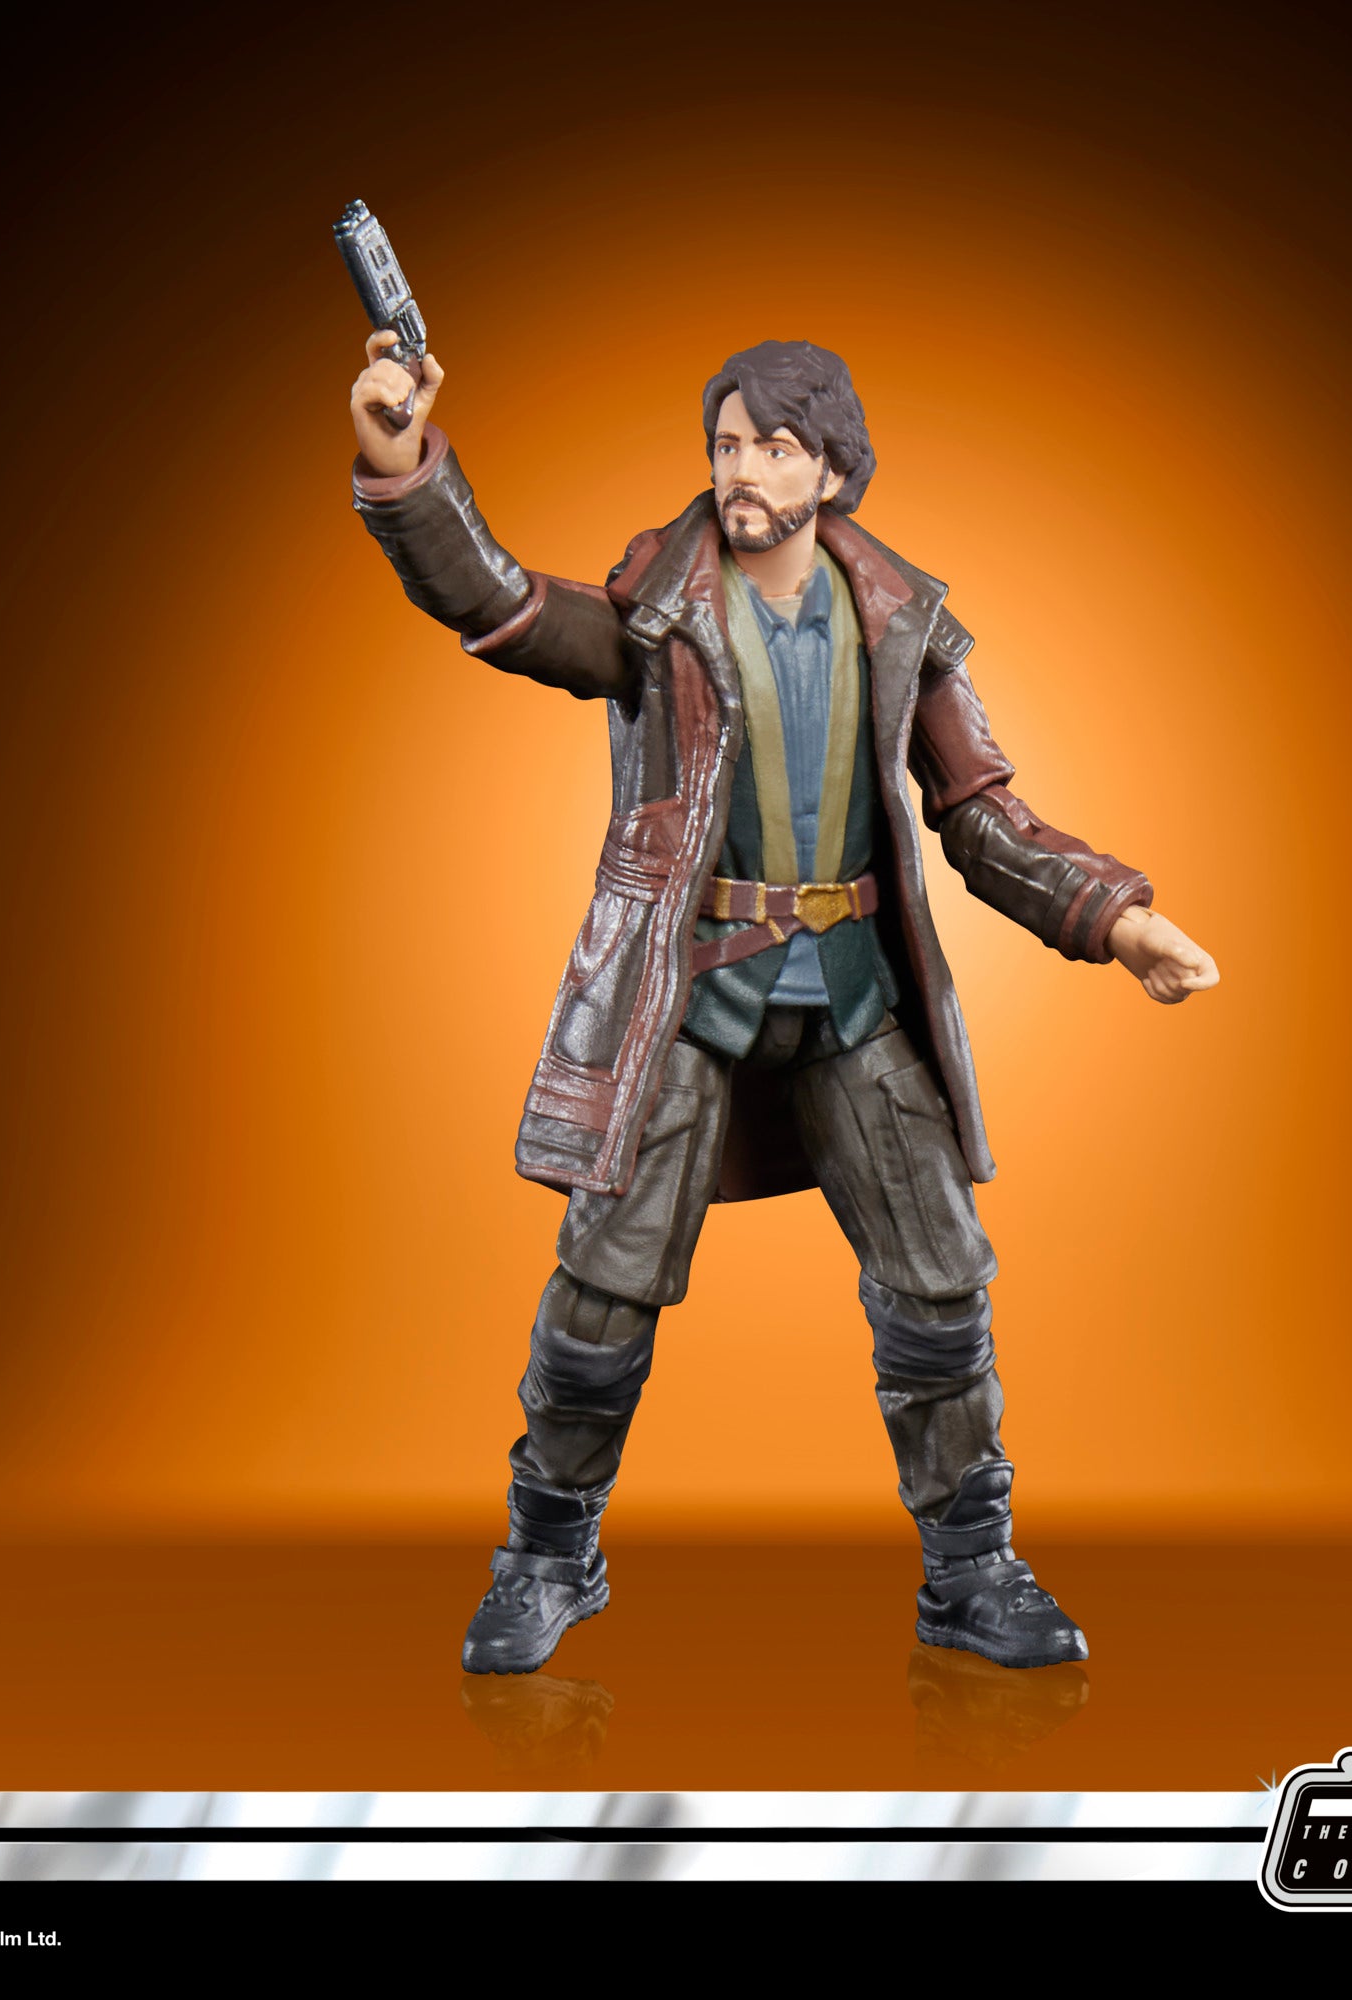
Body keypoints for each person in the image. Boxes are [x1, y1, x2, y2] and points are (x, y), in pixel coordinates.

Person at [346, 334, 1218, 1674]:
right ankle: (547, 1557)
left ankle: (970, 1570)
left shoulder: (903, 622)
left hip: (854, 999)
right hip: (689, 994)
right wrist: (404, 460)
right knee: (601, 1296)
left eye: (774, 446)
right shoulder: (656, 615)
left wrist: (1116, 918)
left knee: (940, 1291)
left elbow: (981, 813)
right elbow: (498, 603)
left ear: (833, 471)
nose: (742, 469)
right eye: (727, 443)